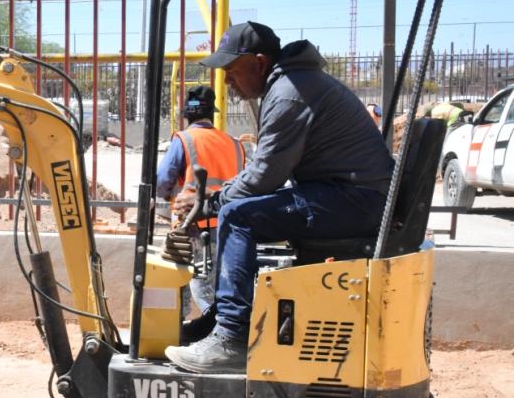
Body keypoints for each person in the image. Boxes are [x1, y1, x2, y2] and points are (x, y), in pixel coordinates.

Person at [164, 22, 394, 373]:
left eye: (231, 71)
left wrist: (208, 204)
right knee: (239, 210)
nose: (227, 82)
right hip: (348, 194)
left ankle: (231, 338)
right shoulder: (292, 84)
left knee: (237, 216)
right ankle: (221, 321)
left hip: (354, 200)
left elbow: (265, 176)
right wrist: (217, 198)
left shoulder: (289, 91)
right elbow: (264, 169)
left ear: (258, 63)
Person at [155, 85, 245, 331]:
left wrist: (169, 198)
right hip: (230, 226)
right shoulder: (234, 144)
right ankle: (217, 331)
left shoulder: (183, 139)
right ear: (212, 114)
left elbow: (162, 181)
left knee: (194, 285)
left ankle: (191, 333)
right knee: (220, 288)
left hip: (193, 226)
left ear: (187, 114)